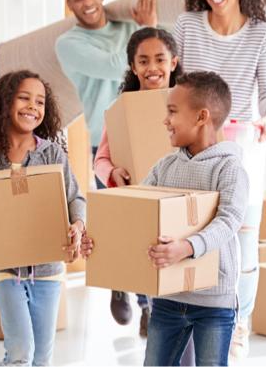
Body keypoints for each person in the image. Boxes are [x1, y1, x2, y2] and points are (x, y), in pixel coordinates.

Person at [82, 71, 249, 366]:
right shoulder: (166, 166)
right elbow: (137, 214)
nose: (165, 120)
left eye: (172, 111)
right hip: (168, 298)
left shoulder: (229, 168)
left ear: (201, 117)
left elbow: (229, 221)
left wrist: (186, 247)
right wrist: (99, 241)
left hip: (213, 301)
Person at [173, 0, 266, 359]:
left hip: (243, 146)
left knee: (243, 246)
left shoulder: (260, 34)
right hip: (195, 147)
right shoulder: (187, 25)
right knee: (195, 234)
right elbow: (174, 80)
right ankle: (190, 321)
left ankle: (239, 325)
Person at [0, 70, 85, 366]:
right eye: (24, 98)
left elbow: (75, 198)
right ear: (5, 103)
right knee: (20, 351)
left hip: (48, 271)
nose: (33, 107)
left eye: (40, 101)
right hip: (3, 267)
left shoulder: (53, 155)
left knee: (41, 357)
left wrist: (78, 225)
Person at [55, 0, 157, 326]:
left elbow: (157, 58)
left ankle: (147, 307)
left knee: (150, 224)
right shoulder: (68, 43)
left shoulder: (127, 27)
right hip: (107, 141)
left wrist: (148, 24)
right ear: (70, 4)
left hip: (146, 133)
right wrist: (146, 29)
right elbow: (118, 64)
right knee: (120, 226)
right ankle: (120, 284)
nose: (89, 2)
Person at [93, 27, 183, 338]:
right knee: (144, 254)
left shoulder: (187, 104)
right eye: (143, 61)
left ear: (173, 62)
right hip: (136, 198)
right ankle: (142, 302)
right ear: (133, 67)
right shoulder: (122, 109)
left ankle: (149, 306)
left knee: (165, 258)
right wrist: (112, 173)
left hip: (175, 199)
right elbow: (101, 159)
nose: (152, 68)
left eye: (160, 59)